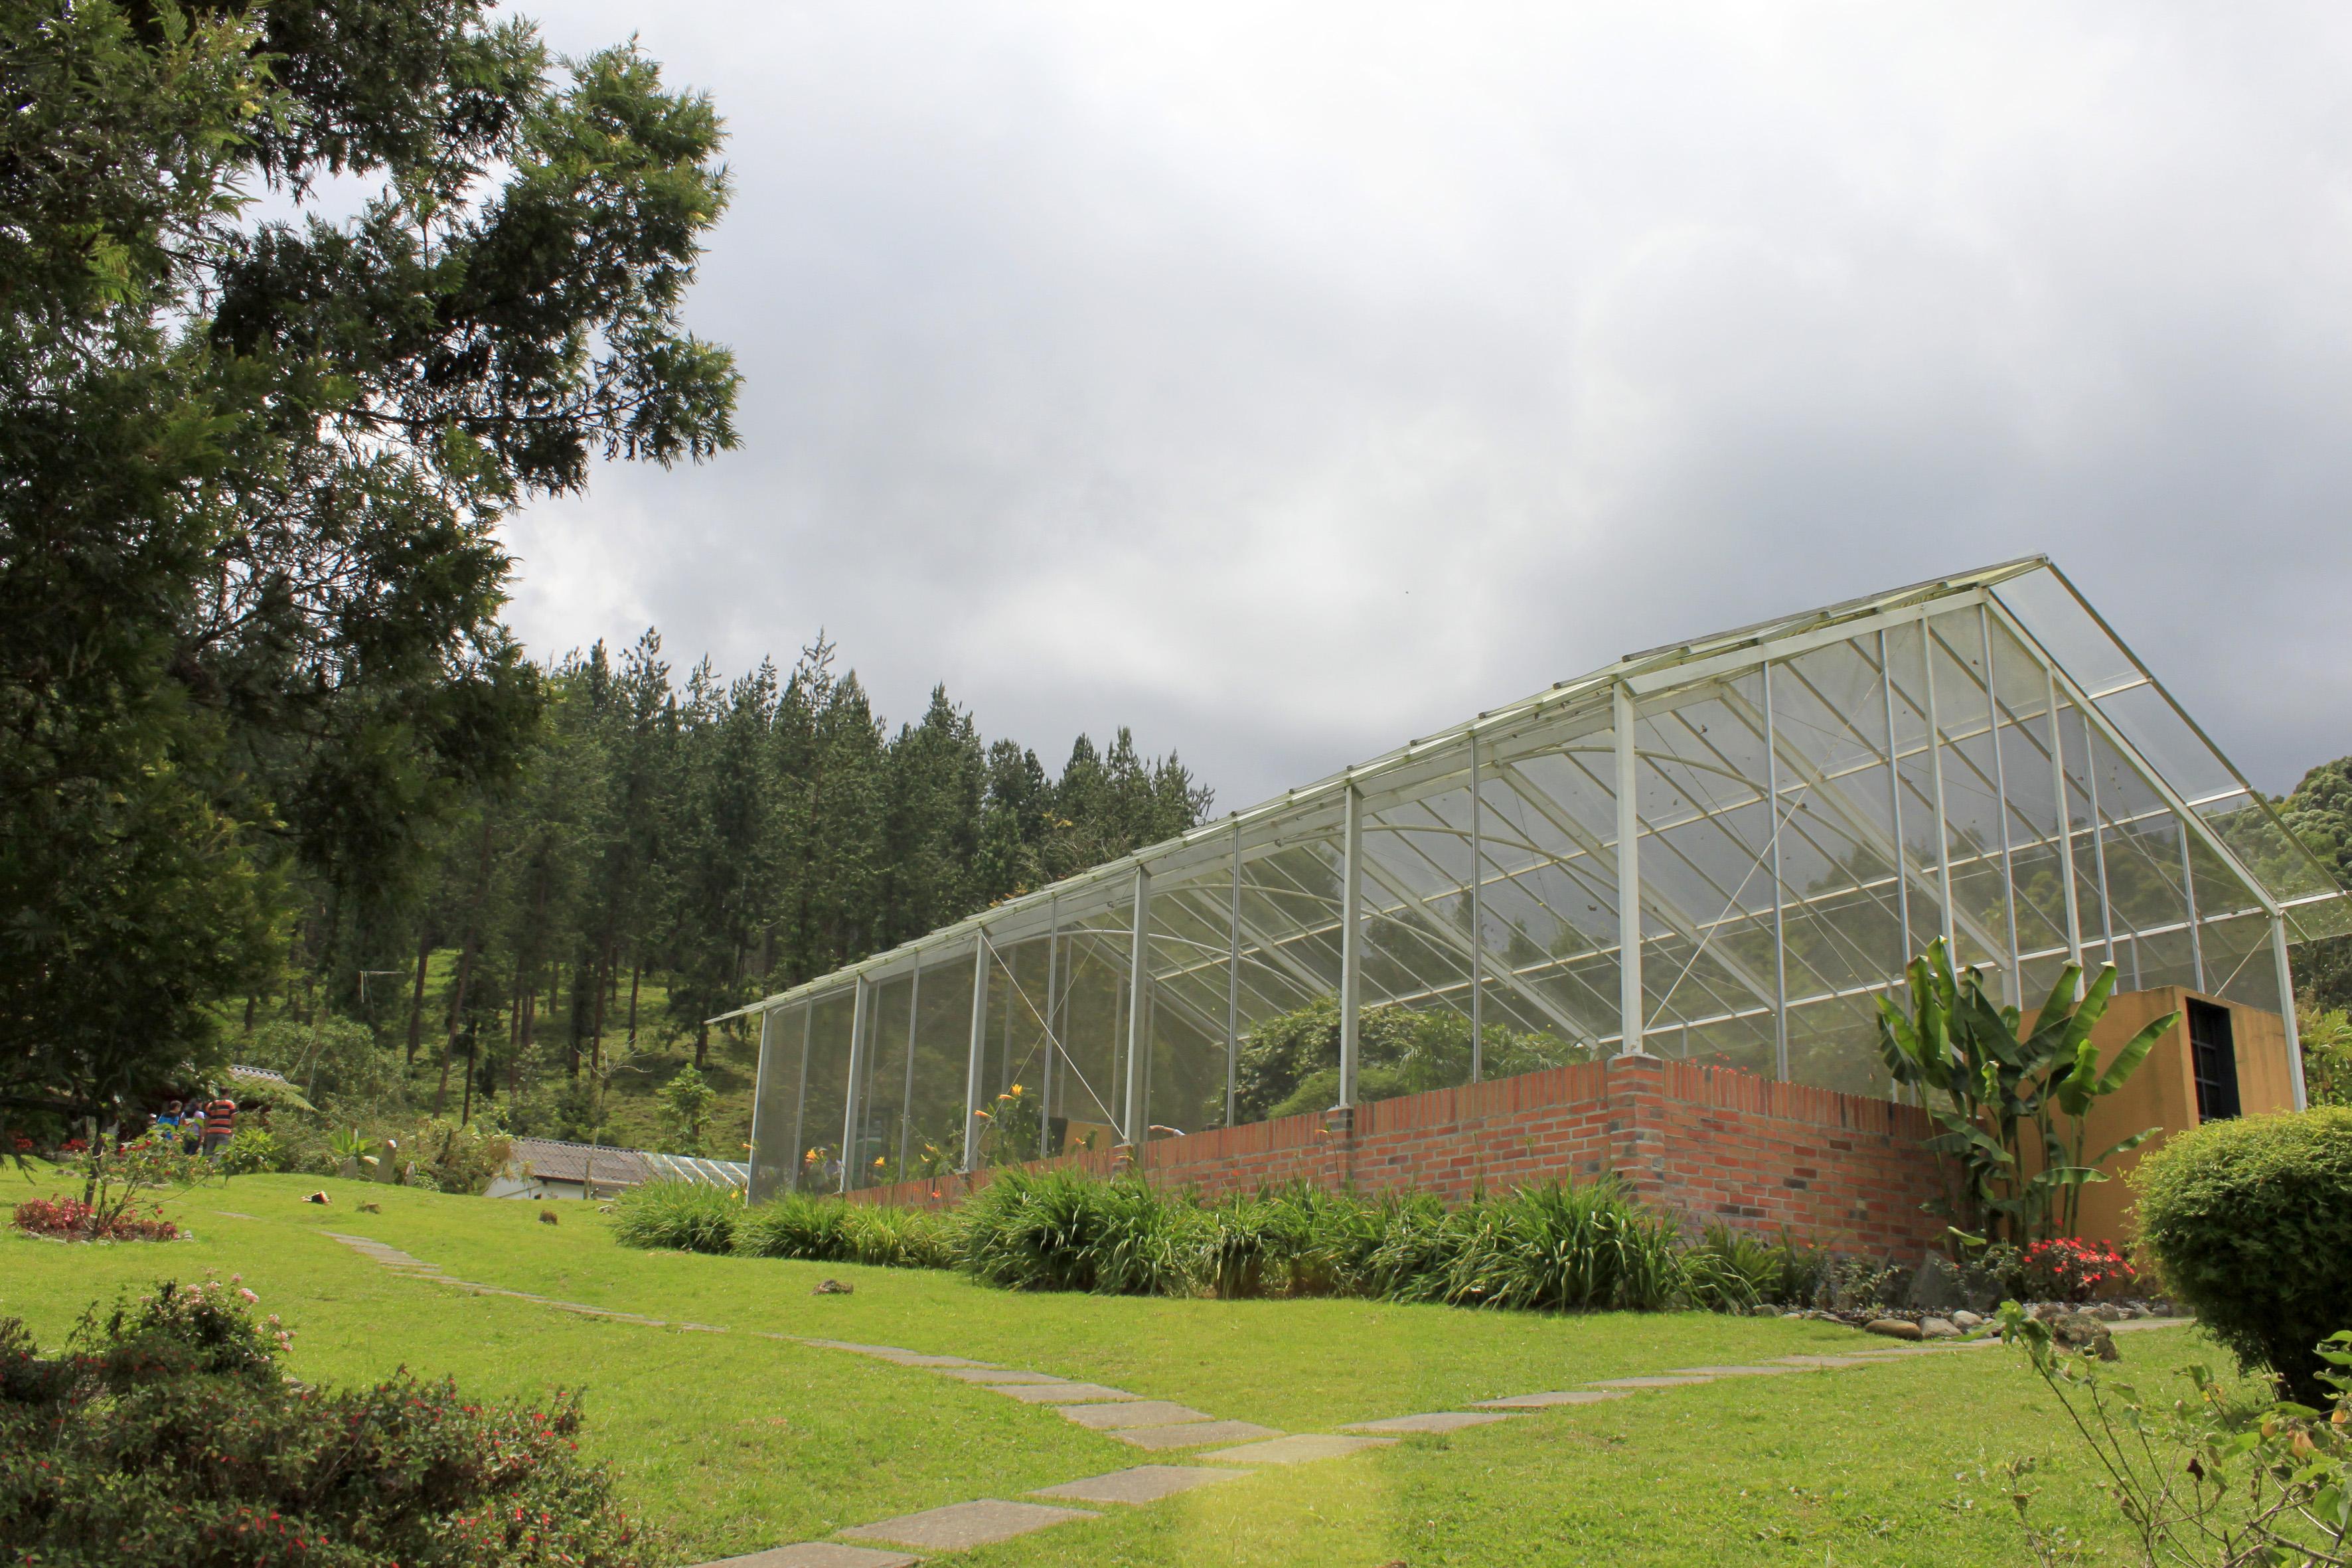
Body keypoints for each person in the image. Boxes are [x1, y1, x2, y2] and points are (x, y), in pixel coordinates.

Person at [200, 1093, 237, 1157]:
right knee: (219, 1155)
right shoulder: (230, 1104)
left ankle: (207, 1166)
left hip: (212, 1132)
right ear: (226, 1094)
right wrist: (232, 1128)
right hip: (224, 1133)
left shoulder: (211, 1105)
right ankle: (215, 1167)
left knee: (208, 1154)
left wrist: (206, 1132)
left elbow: (207, 1119)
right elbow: (233, 1116)